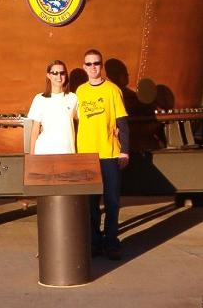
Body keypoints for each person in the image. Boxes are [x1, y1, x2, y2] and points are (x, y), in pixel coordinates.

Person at [76, 49, 129, 261]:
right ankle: (94, 242)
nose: (93, 67)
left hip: (109, 153)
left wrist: (125, 151)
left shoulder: (112, 90)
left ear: (101, 65)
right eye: (89, 64)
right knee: (91, 203)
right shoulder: (80, 92)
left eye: (96, 63)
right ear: (84, 67)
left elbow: (122, 122)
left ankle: (111, 241)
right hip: (86, 155)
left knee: (112, 201)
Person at [28, 60, 78, 155]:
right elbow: (35, 130)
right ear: (48, 75)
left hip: (67, 152)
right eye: (55, 73)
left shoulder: (73, 98)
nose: (59, 77)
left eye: (62, 73)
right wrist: (31, 157)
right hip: (44, 152)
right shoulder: (39, 99)